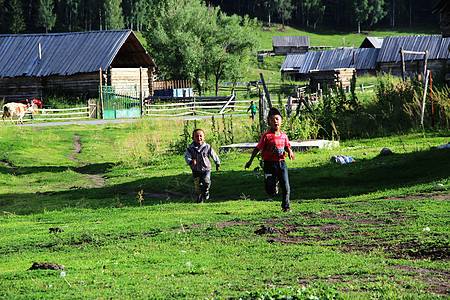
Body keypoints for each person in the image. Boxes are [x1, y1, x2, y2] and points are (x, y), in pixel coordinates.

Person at [245, 107, 295, 212]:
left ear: (281, 121)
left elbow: (287, 146)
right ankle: (273, 185)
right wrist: (250, 161)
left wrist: (290, 152)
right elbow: (257, 148)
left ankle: (286, 206)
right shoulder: (266, 136)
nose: (275, 121)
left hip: (281, 163)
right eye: (272, 120)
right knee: (269, 190)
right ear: (269, 123)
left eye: (277, 119)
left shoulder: (284, 136)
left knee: (286, 186)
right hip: (269, 164)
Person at [185, 129, 220, 203]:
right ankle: (199, 198)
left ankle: (206, 191)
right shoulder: (191, 149)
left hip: (206, 169)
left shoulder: (207, 147)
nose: (199, 138)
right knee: (197, 185)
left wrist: (217, 163)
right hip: (196, 170)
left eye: (201, 136)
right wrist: (190, 161)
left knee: (206, 181)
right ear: (193, 138)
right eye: (196, 136)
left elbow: (214, 155)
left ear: (204, 137)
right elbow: (187, 157)